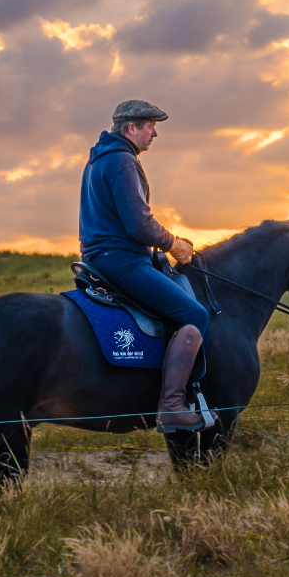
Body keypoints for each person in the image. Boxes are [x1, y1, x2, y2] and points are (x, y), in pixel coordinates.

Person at [79, 100, 207, 432]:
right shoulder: (122, 162)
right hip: (123, 261)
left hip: (101, 258)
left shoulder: (98, 161)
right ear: (131, 128)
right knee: (196, 314)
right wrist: (175, 244)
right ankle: (172, 406)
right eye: (150, 126)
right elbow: (139, 224)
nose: (155, 133)